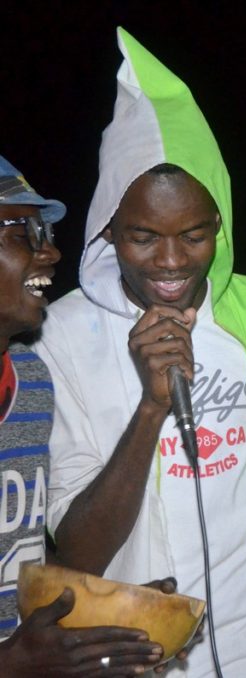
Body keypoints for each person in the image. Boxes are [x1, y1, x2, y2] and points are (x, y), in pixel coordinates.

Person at [35, 30, 246, 677]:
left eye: (194, 234)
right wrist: (150, 411)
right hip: (138, 659)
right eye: (142, 237)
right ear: (107, 226)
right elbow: (75, 549)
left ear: (220, 224)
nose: (171, 262)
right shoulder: (60, 335)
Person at [0, 154, 171, 676]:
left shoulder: (29, 379)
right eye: (24, 230)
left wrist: (104, 610)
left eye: (45, 229)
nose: (50, 250)